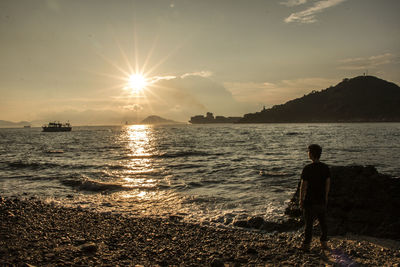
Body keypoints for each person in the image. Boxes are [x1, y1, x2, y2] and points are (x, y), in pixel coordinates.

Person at [299, 144, 330, 251]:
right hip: (321, 199)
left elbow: (303, 186)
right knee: (323, 223)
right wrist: (326, 197)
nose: (308, 153)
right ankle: (324, 243)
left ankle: (306, 245)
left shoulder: (307, 168)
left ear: (311, 154)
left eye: (308, 151)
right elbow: (327, 184)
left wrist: (301, 199)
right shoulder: (325, 168)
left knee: (308, 224)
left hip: (310, 200)